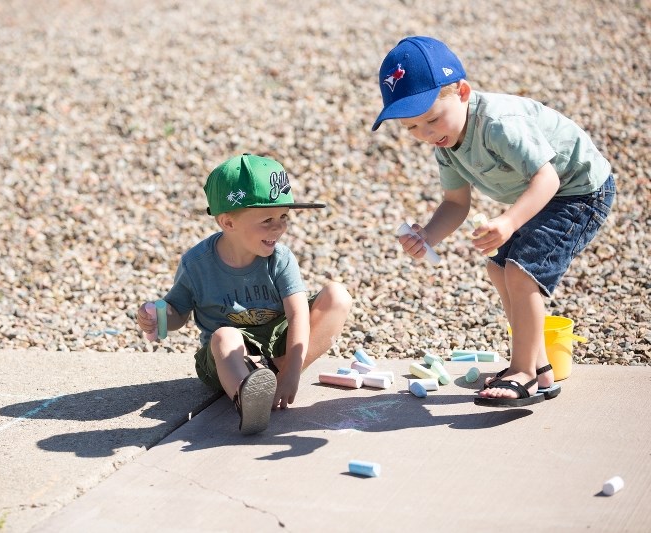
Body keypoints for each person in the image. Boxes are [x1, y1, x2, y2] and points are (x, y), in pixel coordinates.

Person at [372, 36, 615, 407]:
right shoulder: (446, 143)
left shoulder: (498, 123)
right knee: (497, 267)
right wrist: (428, 236)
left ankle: (523, 372)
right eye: (412, 129)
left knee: (521, 270)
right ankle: (539, 367)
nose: (427, 134)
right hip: (541, 194)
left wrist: (508, 220)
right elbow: (455, 202)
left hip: (580, 190)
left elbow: (547, 179)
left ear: (463, 92)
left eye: (433, 119)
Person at [137, 153, 352, 433]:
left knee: (338, 296)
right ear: (228, 223)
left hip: (278, 346)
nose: (279, 227)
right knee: (225, 335)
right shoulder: (197, 263)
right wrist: (158, 317)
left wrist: (291, 375)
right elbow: (177, 313)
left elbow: (297, 313)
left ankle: (275, 376)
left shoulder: (280, 258)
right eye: (267, 220)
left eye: (283, 216)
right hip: (226, 359)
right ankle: (248, 399)